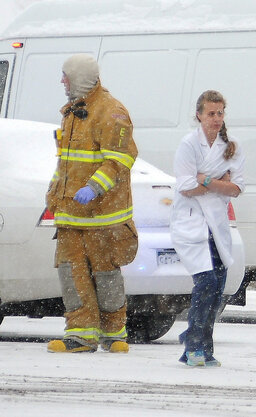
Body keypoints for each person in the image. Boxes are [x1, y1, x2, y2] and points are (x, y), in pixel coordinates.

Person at [45, 54, 139, 354]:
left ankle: (115, 333)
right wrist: (53, 195)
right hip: (70, 215)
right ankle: (80, 335)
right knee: (72, 274)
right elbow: (66, 163)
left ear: (80, 77)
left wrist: (93, 188)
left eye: (65, 76)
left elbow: (120, 159)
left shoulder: (112, 112)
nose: (62, 81)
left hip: (103, 218)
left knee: (105, 275)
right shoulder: (74, 111)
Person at [171, 90, 245, 367]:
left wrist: (207, 181)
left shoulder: (232, 146)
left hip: (218, 224)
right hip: (191, 221)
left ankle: (204, 345)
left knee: (219, 286)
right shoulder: (188, 144)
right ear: (199, 115)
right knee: (207, 282)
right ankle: (193, 346)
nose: (216, 119)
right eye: (210, 113)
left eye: (220, 113)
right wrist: (216, 182)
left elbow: (237, 187)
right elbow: (186, 187)